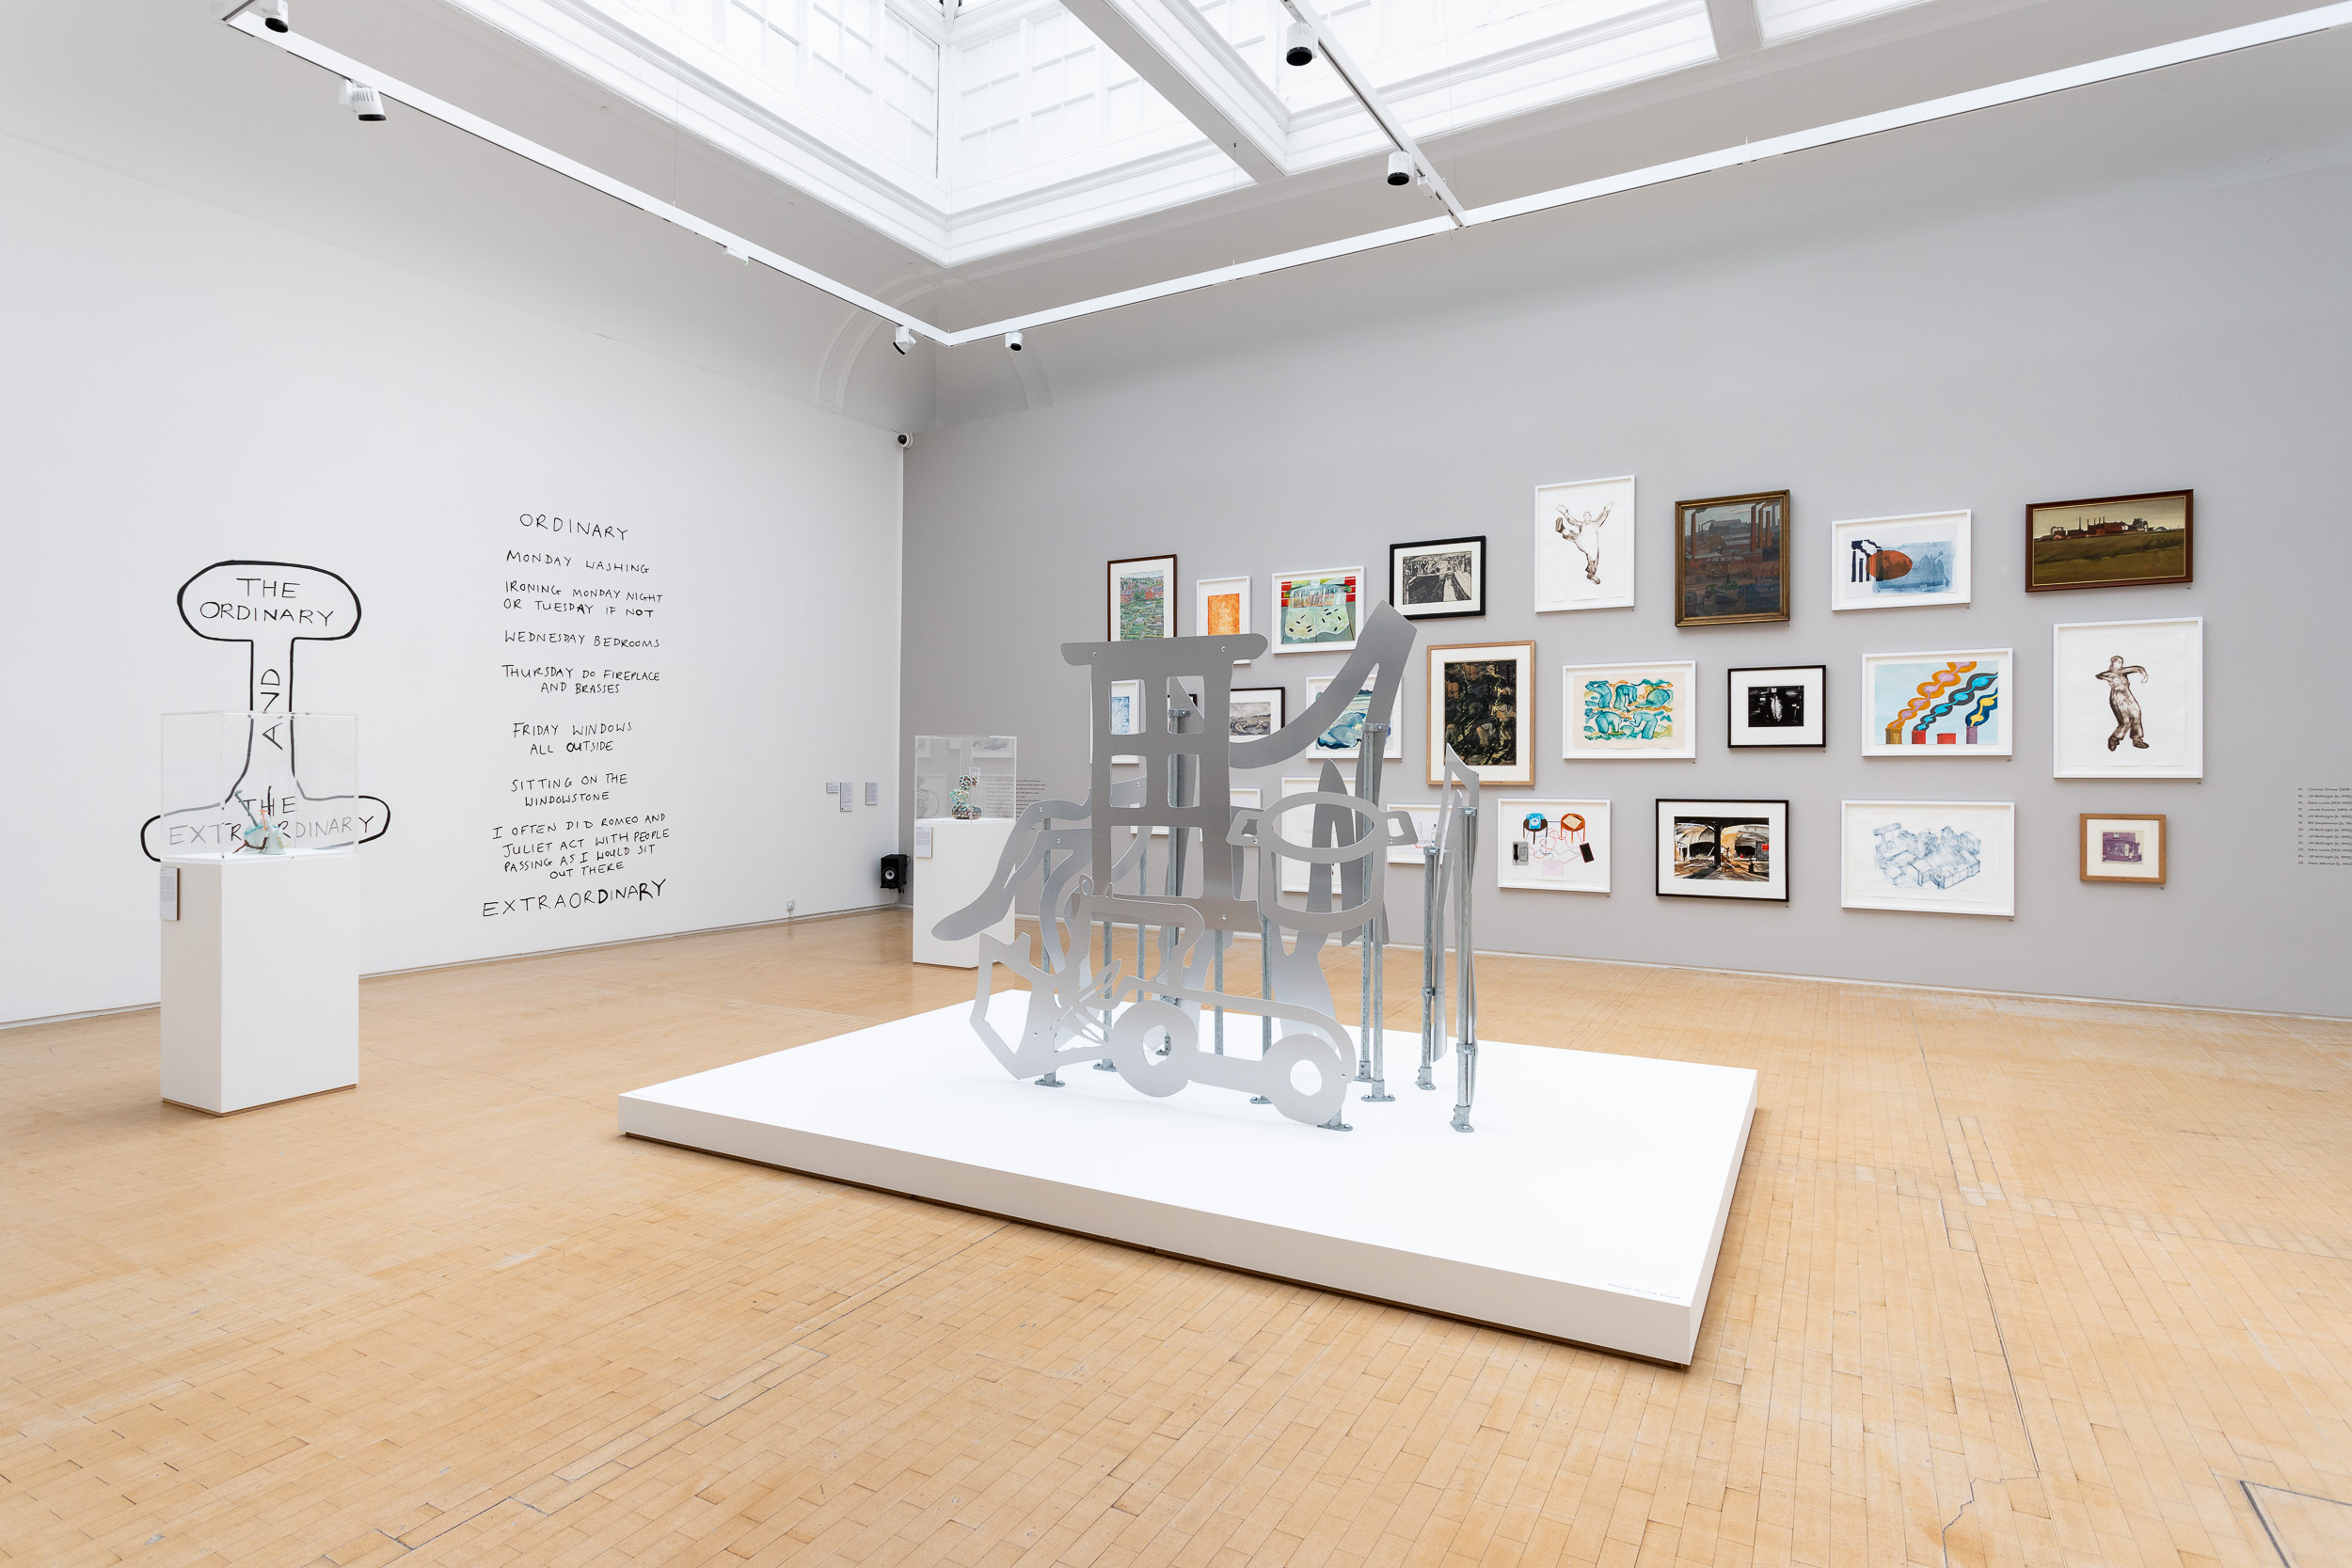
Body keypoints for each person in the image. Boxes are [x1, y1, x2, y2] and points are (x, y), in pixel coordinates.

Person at [2094, 655, 2151, 751]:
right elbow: (2099, 676)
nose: (2120, 664)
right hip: (2118, 697)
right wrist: (2111, 679)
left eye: (2121, 662)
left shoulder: (2123, 671)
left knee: (2136, 714)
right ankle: (2114, 738)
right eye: (2119, 662)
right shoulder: (2109, 673)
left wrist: (2145, 676)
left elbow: (2138, 668)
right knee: (2126, 720)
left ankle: (2137, 739)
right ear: (2113, 662)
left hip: (2128, 696)